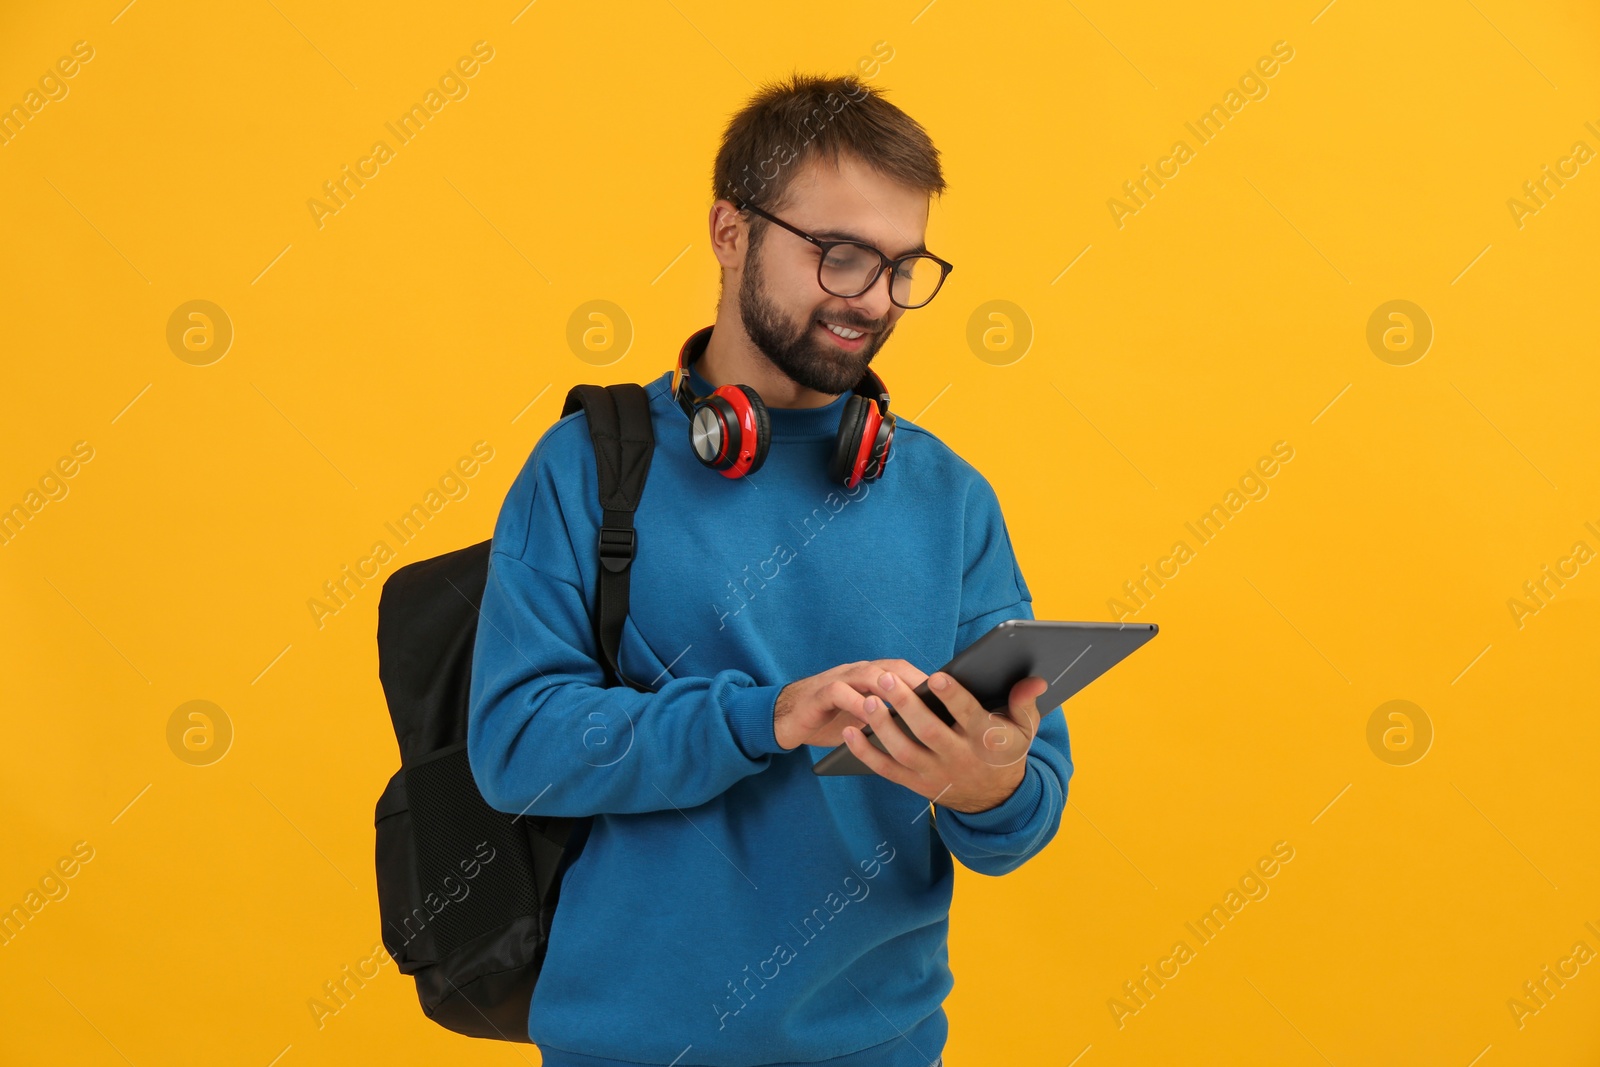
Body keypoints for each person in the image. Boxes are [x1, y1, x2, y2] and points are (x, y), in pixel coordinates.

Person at [467, 71, 1071, 1067]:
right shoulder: (585, 469)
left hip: (881, 1047)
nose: (873, 300)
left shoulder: (949, 496)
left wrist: (987, 786)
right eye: (839, 257)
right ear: (730, 231)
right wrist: (766, 714)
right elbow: (517, 746)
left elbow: (1025, 807)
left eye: (901, 267)